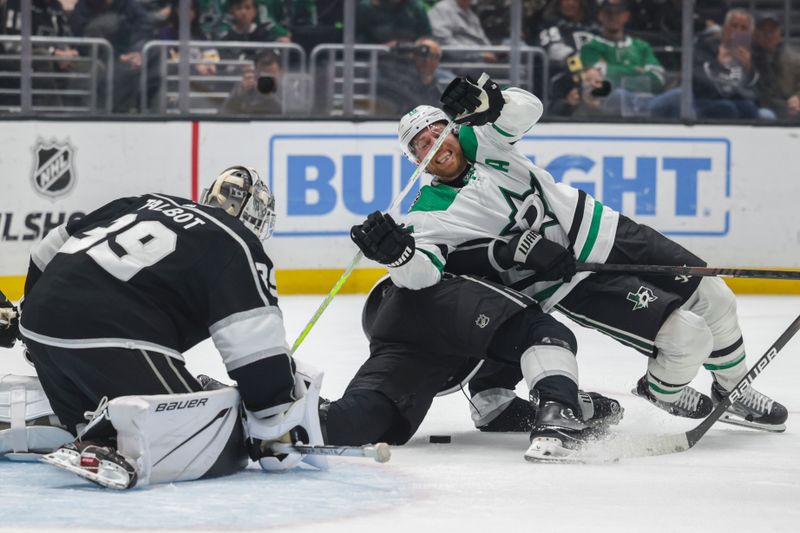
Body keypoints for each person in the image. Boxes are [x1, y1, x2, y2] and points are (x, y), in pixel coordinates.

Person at [366, 75, 787, 438]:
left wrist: (492, 102)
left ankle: (733, 389)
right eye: (419, 146)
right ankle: (664, 391)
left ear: (452, 130)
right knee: (687, 336)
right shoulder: (426, 211)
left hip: (605, 229)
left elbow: (527, 110)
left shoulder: (481, 137)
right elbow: (422, 275)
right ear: (415, 161)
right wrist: (398, 256)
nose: (432, 145)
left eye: (436, 132)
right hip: (568, 280)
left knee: (716, 296)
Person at [15, 166, 325, 488]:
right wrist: (273, 417)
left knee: (92, 410)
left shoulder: (146, 201)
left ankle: (59, 423)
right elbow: (253, 346)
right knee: (213, 438)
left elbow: (50, 246)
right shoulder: (236, 242)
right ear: (255, 216)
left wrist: (28, 314)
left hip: (40, 327)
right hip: (110, 333)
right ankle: (107, 439)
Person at [322, 274, 624, 454]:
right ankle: (560, 412)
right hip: (438, 295)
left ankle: (302, 418)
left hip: (395, 321)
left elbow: (494, 410)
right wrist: (566, 399)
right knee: (545, 333)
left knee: (368, 415)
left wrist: (586, 405)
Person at [579, 0, 665, 116]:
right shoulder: (590, 47)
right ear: (600, 16)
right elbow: (600, 82)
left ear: (626, 16)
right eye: (608, 13)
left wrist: (610, 70)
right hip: (610, 103)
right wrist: (636, 70)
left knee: (679, 96)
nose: (613, 17)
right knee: (619, 95)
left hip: (648, 102)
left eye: (618, 13)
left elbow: (658, 79)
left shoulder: (641, 46)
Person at [375, 36, 448, 116]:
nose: (426, 60)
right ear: (413, 56)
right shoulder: (399, 81)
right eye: (422, 54)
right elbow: (378, 60)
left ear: (438, 60)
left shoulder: (441, 90)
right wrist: (398, 46)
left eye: (432, 56)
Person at [752, 12, 800, 121]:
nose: (768, 35)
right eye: (763, 30)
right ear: (754, 34)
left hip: (787, 107)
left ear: (780, 34)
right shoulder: (747, 55)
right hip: (759, 107)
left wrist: (797, 97)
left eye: (772, 31)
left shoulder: (794, 59)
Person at [221, 49, 283, 114]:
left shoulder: (287, 90)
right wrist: (239, 95)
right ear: (255, 70)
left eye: (270, 75)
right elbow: (224, 114)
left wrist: (268, 94)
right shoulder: (245, 86)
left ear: (281, 73)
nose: (265, 80)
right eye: (262, 74)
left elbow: (289, 116)